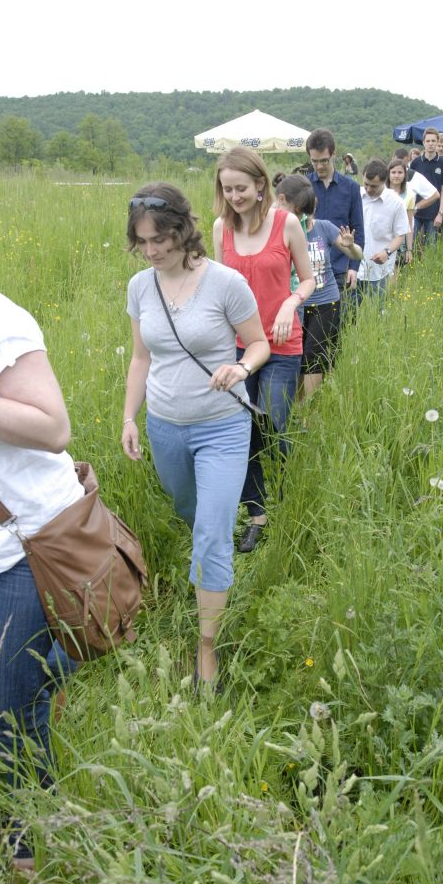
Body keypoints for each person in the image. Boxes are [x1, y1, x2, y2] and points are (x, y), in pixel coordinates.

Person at [122, 183, 270, 684]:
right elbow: (141, 358)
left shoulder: (225, 283)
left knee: (209, 532)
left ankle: (207, 644)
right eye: (142, 241)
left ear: (182, 230)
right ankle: (214, 547)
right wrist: (128, 418)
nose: (151, 250)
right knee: (191, 511)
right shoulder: (141, 287)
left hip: (222, 426)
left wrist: (241, 369)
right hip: (164, 426)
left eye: (159, 238)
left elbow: (258, 345)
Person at [0, 285, 85, 872]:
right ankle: (51, 660)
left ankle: (27, 844)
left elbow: (53, 428)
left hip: (21, 545)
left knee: (6, 709)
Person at [212, 148, 315, 553]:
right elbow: (219, 290)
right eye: (227, 189)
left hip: (283, 343)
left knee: (273, 421)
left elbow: (307, 279)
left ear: (260, 185)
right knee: (244, 431)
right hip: (239, 347)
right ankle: (258, 513)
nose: (235, 196)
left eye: (241, 188)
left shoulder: (286, 223)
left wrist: (291, 302)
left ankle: (289, 487)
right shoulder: (222, 229)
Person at [275, 174, 363, 396]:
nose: (304, 215)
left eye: (307, 210)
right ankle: (294, 401)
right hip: (294, 303)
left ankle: (308, 410)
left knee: (315, 356)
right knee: (296, 355)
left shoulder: (324, 228)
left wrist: (350, 247)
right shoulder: (280, 231)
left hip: (325, 301)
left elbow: (357, 253)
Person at [305, 128, 364, 296]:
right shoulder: (304, 186)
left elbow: (358, 229)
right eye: (314, 161)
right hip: (308, 269)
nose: (319, 166)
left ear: (333, 154)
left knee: (339, 321)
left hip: (340, 268)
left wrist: (354, 267)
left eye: (324, 160)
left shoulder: (351, 188)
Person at [357, 159, 409, 303]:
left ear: (384, 182)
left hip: (379, 270)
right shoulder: (356, 196)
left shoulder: (396, 203)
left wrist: (387, 252)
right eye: (366, 184)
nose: (368, 189)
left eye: (373, 186)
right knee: (349, 313)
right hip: (355, 268)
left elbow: (400, 234)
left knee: (375, 312)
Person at [409, 127, 443, 247]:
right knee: (410, 244)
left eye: (433, 141)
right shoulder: (416, 162)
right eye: (428, 141)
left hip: (433, 213)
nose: (431, 144)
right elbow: (409, 187)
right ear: (423, 142)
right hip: (415, 210)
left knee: (430, 246)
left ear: (438, 142)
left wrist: (440, 213)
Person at [387, 158, 415, 268]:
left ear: (405, 174)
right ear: (388, 174)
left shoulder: (410, 195)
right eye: (393, 172)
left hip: (399, 242)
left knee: (393, 282)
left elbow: (409, 224)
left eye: (400, 172)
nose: (396, 175)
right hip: (381, 239)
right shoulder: (381, 191)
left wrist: (409, 249)